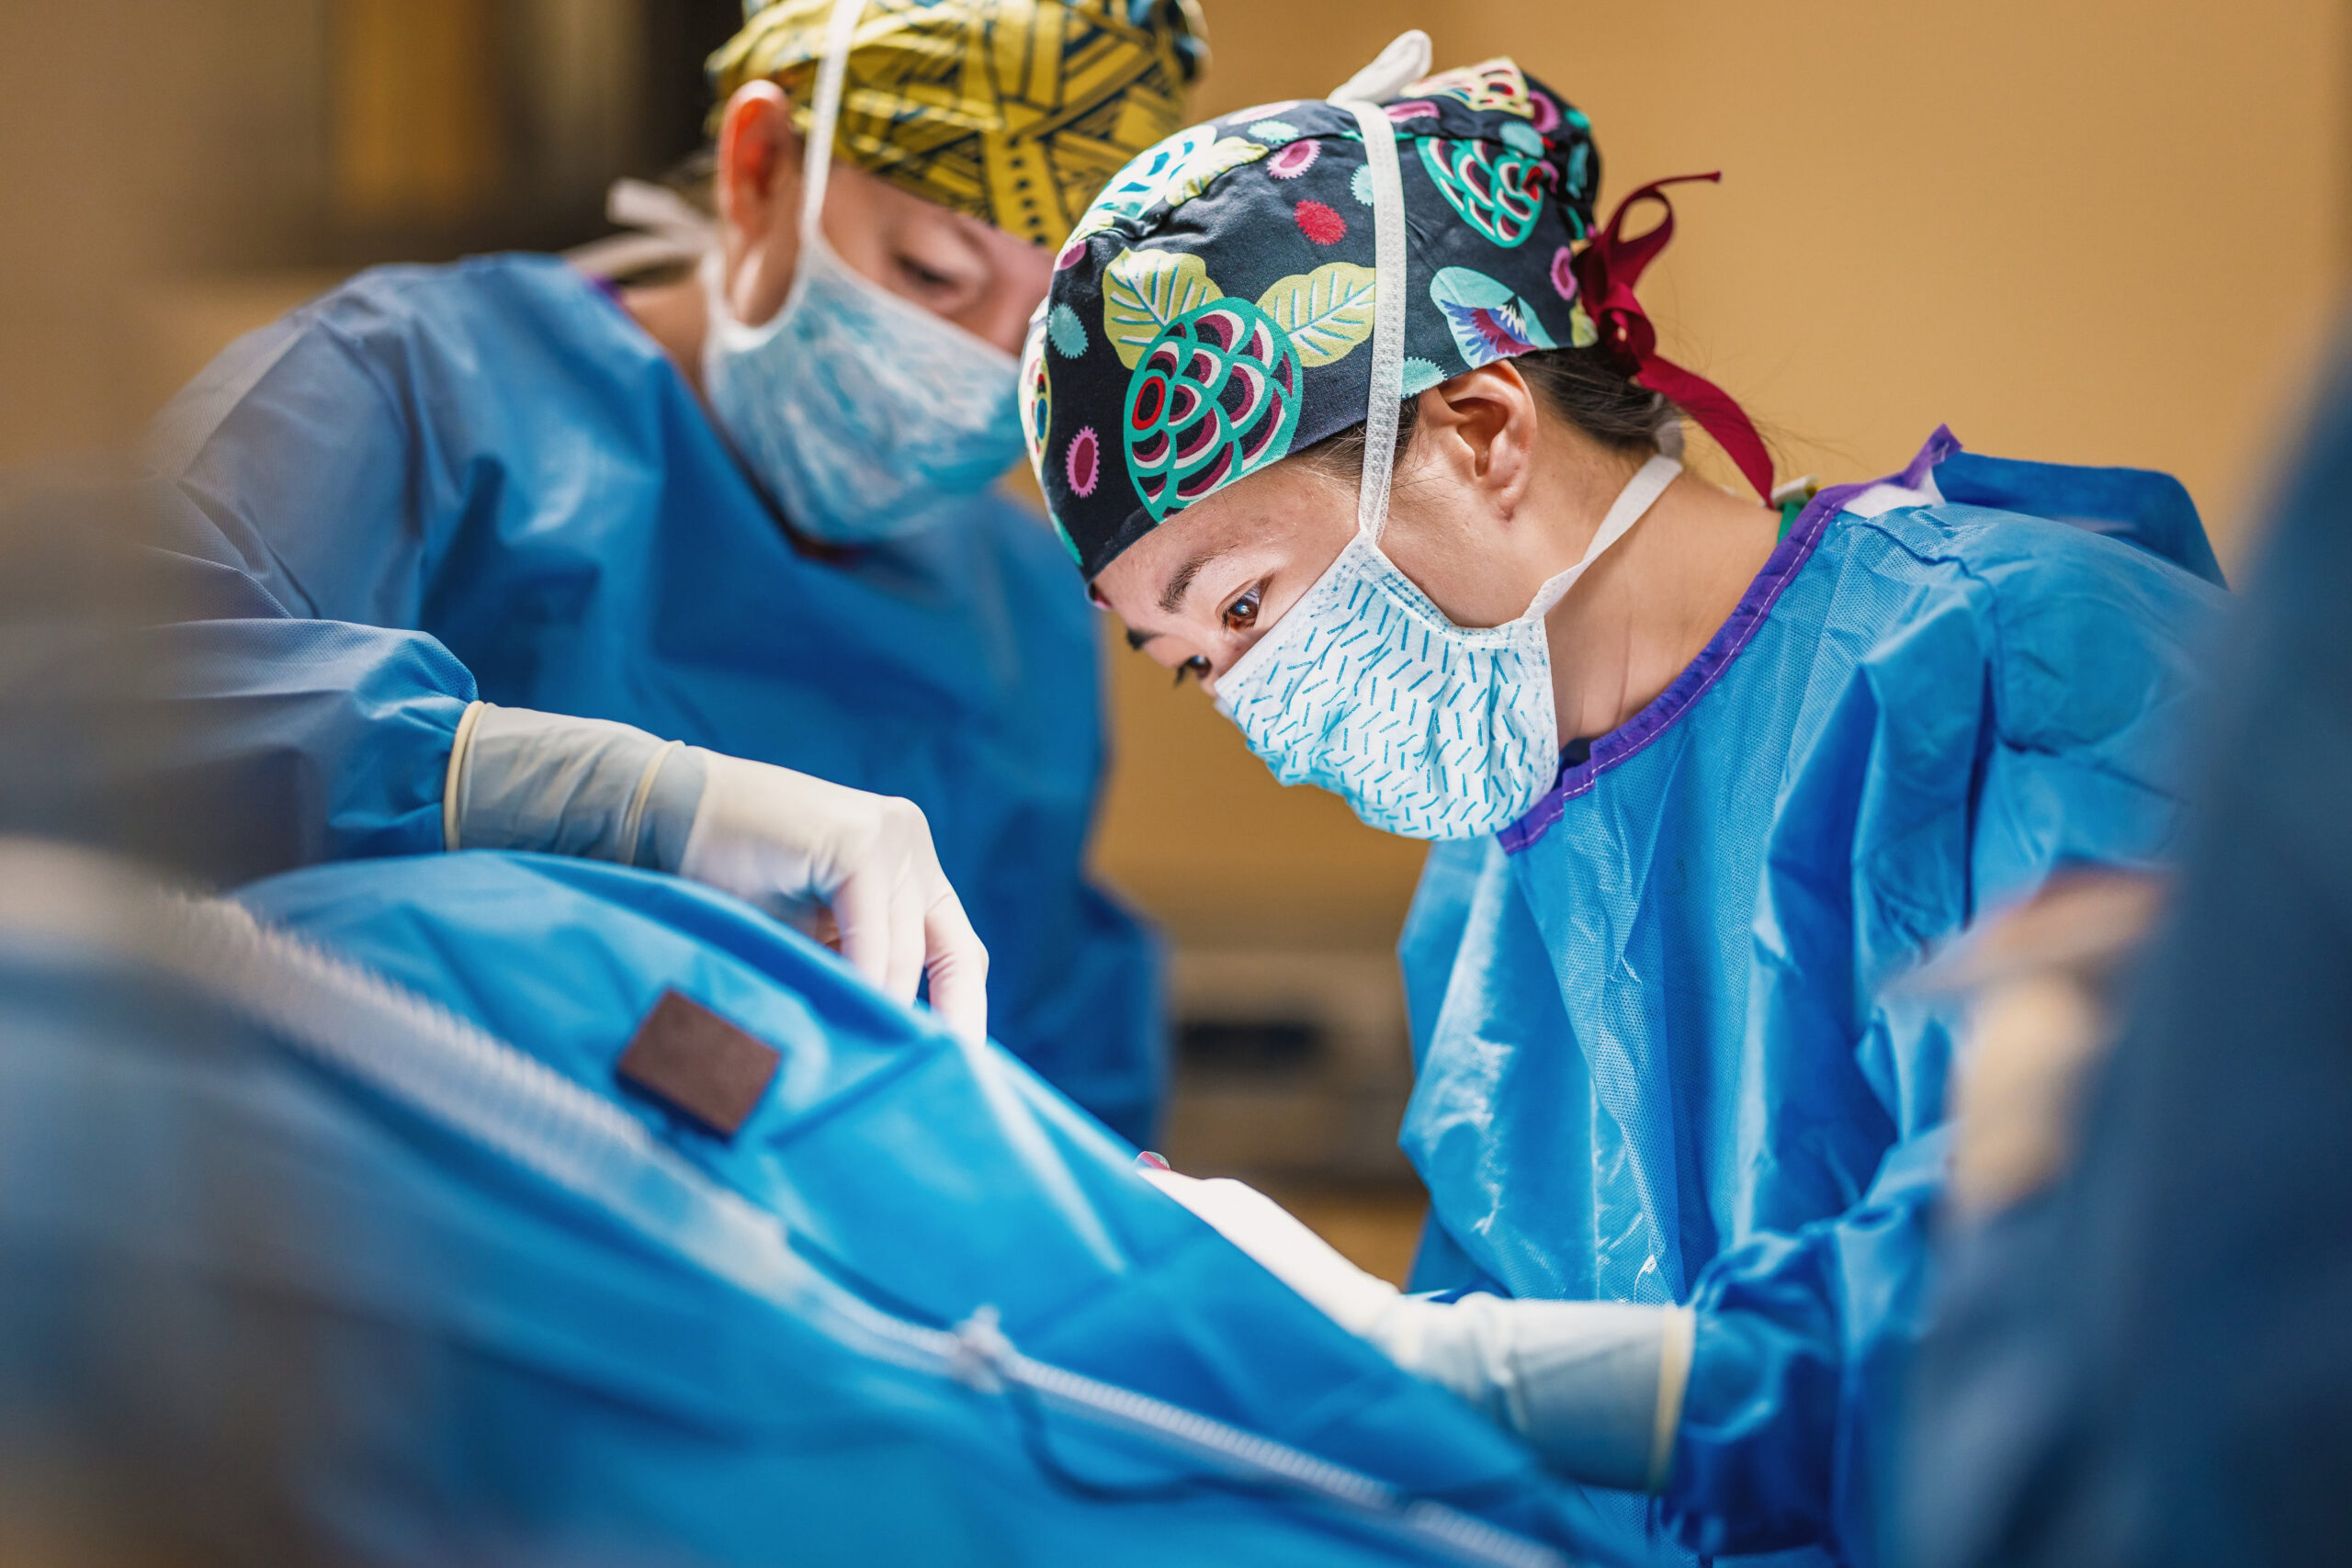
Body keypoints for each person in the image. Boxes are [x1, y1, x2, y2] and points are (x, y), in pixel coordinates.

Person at [1025, 36, 2227, 1565]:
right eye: (1193, 662)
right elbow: (1543, 1469)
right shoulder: (1493, 882)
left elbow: (2066, 1326)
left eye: (1246, 607)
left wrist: (1407, 1357)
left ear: (1479, 431)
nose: (1257, 707)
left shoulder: (2032, 673)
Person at [137, 0, 1207, 1137]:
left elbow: (1038, 1065)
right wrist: (629, 805)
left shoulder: (1018, 602)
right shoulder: (407, 394)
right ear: (757, 171)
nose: (979, 364)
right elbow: (111, 710)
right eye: (934, 273)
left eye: (1042, 326)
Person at [1902, 339, 2352, 1568]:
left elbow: (2211, 1381)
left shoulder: (2038, 641)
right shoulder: (1520, 791)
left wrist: (2027, 1128)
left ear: (1486, 431)